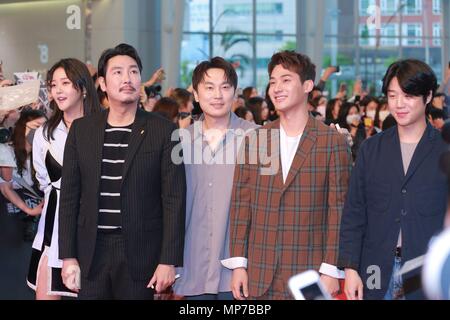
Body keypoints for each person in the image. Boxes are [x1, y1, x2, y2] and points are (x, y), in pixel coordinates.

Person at [58, 43, 186, 300]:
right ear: (103, 84)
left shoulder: (164, 131)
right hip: (91, 253)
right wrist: (68, 256)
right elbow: (70, 196)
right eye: (117, 72)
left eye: (133, 71)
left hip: (141, 254)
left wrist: (168, 260)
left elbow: (174, 199)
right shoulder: (82, 130)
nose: (127, 79)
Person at [226, 51, 352, 300]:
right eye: (272, 81)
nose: (276, 88)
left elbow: (339, 210)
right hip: (259, 275)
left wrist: (330, 269)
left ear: (307, 86)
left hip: (311, 274)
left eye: (285, 80)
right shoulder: (256, 140)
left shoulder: (331, 142)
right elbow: (242, 205)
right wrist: (239, 265)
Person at [339, 59, 448, 300]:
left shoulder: (444, 150)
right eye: (392, 95)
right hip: (375, 267)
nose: (399, 104)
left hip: (425, 269)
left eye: (408, 95)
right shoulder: (372, 149)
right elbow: (354, 212)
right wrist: (350, 268)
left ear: (428, 96)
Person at [173, 57, 256, 300]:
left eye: (225, 87)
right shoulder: (180, 140)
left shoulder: (256, 137)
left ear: (235, 93)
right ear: (196, 95)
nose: (217, 95)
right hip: (192, 268)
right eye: (209, 87)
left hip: (239, 270)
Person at [26, 58, 101, 300]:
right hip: (54, 228)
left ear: (83, 87)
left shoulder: (103, 128)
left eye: (65, 83)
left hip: (96, 227)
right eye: (53, 84)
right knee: (47, 291)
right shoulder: (44, 134)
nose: (58, 90)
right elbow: (42, 181)